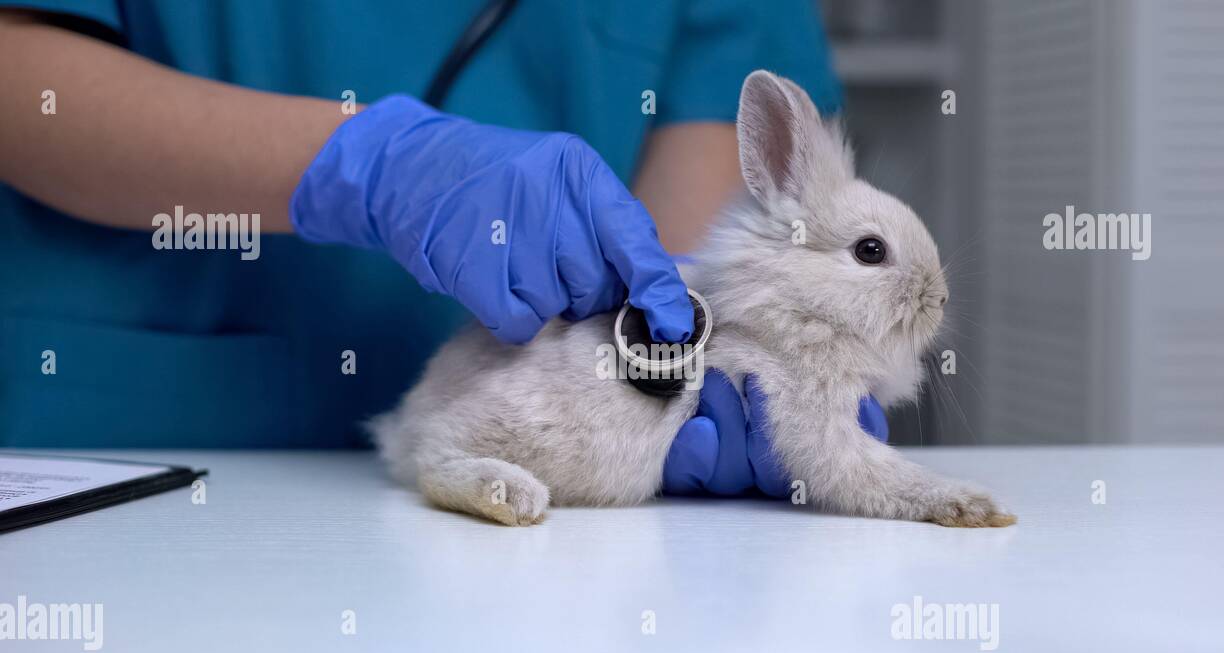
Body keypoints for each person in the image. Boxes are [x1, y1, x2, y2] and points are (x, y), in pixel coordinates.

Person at [0, 0, 878, 497]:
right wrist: (370, 166)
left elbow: (683, 243)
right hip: (123, 459)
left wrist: (685, 383)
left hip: (520, 511)